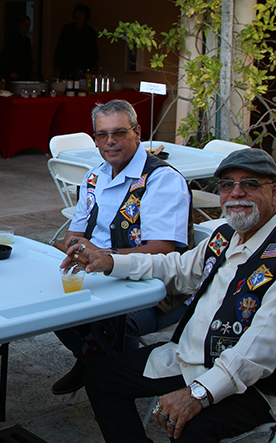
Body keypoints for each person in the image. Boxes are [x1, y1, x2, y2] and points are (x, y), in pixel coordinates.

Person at [63, 149, 276, 443]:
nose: (236, 193)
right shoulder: (226, 235)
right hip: (190, 358)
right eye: (227, 184)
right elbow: (176, 267)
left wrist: (198, 394)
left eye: (250, 184)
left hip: (252, 383)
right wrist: (110, 261)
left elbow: (262, 346)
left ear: (275, 191)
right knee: (101, 375)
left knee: (192, 427)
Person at [51, 99, 192, 395]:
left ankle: (117, 390)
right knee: (52, 306)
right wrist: (79, 246)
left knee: (115, 322)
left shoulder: (161, 180)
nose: (110, 141)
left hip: (160, 289)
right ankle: (89, 358)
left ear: (137, 133)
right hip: (100, 276)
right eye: (102, 135)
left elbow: (164, 251)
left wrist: (105, 257)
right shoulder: (94, 177)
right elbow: (74, 234)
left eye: (119, 133)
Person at [53, 3, 98, 79]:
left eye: (81, 13)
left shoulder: (90, 32)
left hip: (83, 66)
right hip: (67, 66)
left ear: (85, 15)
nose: (78, 16)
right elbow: (60, 48)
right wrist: (56, 67)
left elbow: (93, 52)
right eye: (76, 13)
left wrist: (92, 69)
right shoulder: (67, 29)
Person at [0, 14, 33, 81]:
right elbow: (3, 56)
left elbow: (28, 59)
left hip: (25, 75)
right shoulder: (12, 39)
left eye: (29, 25)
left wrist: (30, 72)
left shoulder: (27, 41)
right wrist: (10, 71)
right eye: (26, 25)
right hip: (15, 75)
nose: (28, 28)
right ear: (19, 25)